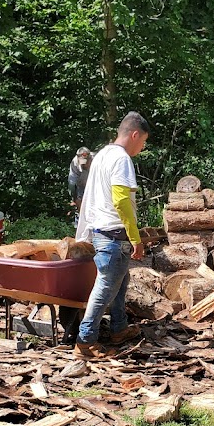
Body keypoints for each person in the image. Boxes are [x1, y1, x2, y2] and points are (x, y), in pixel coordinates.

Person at [72, 112, 149, 358]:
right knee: (105, 286)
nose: (142, 147)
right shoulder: (121, 158)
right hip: (114, 235)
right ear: (134, 134)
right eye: (143, 141)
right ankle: (85, 341)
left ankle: (119, 328)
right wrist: (135, 238)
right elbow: (121, 201)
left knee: (120, 280)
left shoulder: (102, 155)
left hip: (101, 232)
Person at [67, 147, 94, 214]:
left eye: (86, 162)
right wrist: (74, 198)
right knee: (79, 199)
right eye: (82, 163)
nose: (84, 165)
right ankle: (80, 215)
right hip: (81, 183)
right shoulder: (74, 163)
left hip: (94, 183)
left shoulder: (97, 159)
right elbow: (72, 183)